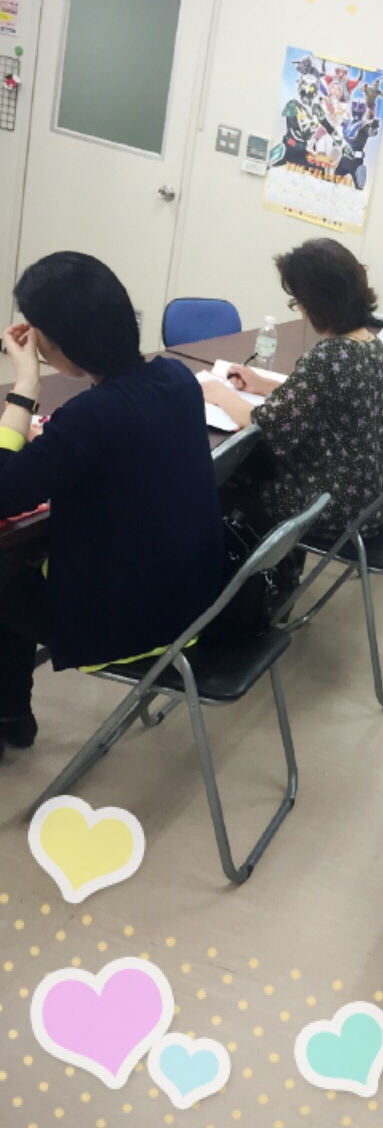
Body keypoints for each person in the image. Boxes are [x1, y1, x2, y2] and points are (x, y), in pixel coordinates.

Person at [0, 252, 225, 758]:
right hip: (195, 600)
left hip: (126, 625)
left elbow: (4, 491)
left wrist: (25, 387)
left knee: (6, 565)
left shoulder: (91, 417)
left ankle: (10, 711)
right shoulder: (176, 379)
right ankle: (10, 712)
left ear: (63, 343)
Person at [203, 238, 383, 540]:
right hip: (367, 500)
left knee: (213, 491)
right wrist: (263, 384)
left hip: (328, 506)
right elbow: (326, 396)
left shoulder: (328, 357)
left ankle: (258, 567)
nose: (300, 309)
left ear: (318, 302)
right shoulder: (369, 343)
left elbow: (269, 425)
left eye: (299, 301)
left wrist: (219, 394)